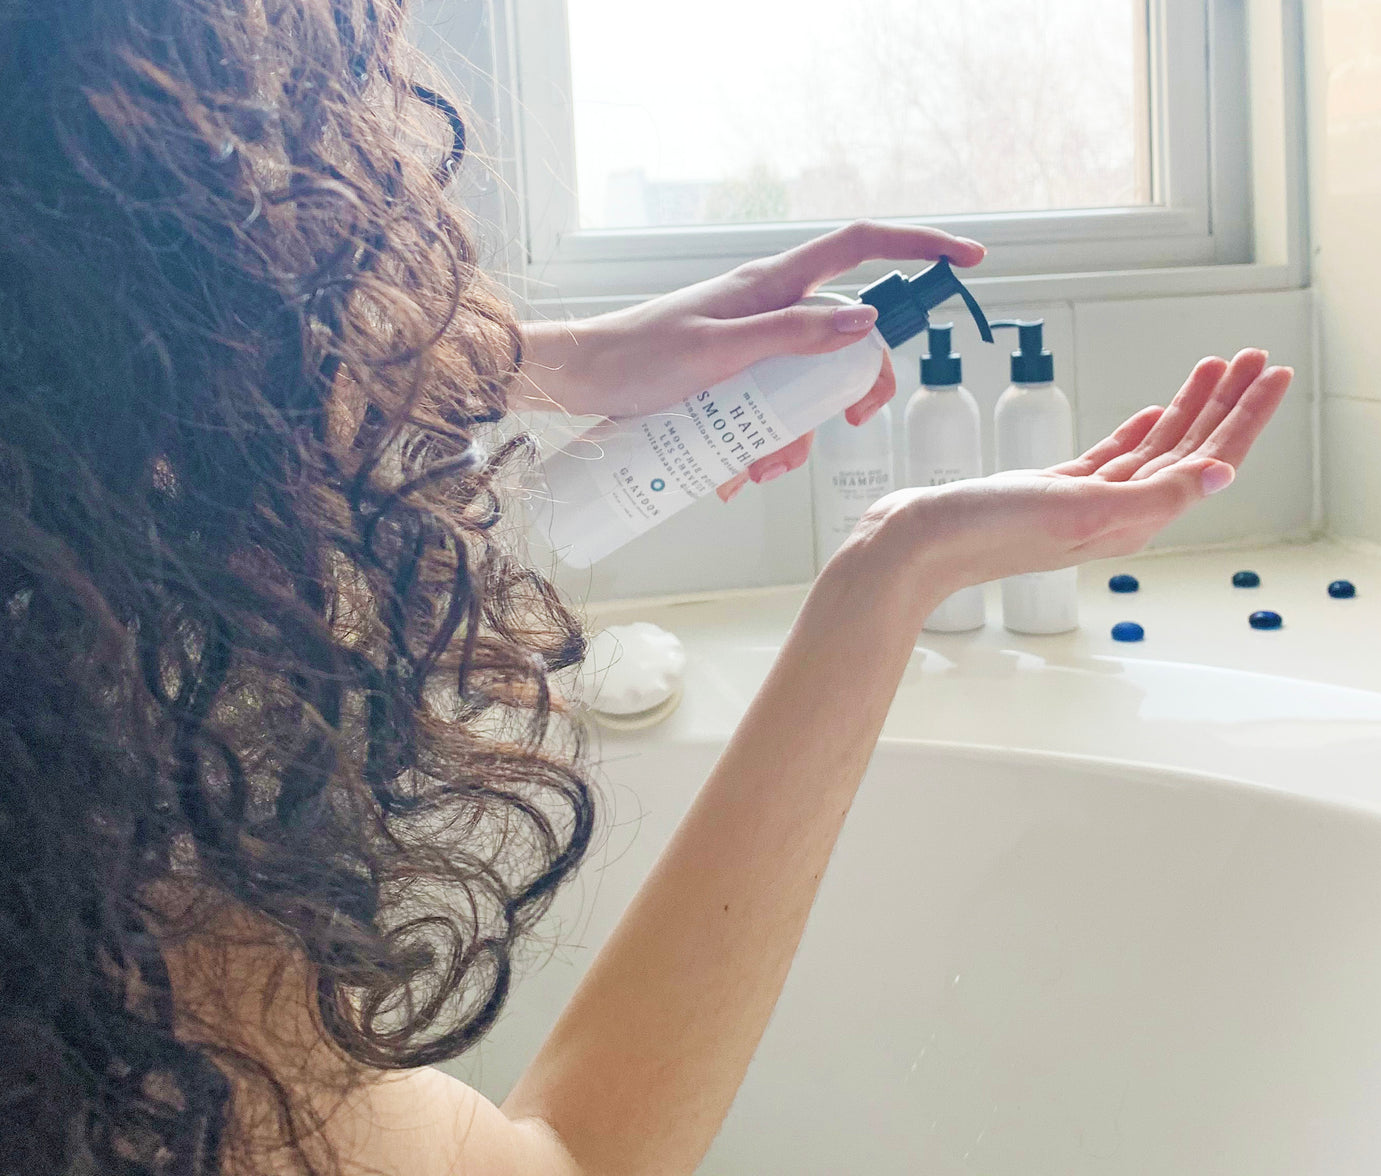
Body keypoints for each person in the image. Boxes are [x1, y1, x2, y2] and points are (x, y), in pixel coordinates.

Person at [0, 2, 1294, 1174]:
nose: (401, 231)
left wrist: (551, 360)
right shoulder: (129, 925)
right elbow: (570, 1159)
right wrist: (891, 573)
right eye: (340, 204)